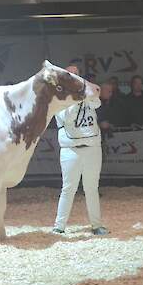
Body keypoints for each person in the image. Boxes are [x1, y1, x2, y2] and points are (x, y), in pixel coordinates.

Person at [53, 65, 108, 236]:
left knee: (92, 188)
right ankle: (59, 226)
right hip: (71, 149)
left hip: (92, 147)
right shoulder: (59, 98)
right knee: (68, 188)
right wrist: (77, 97)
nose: (75, 77)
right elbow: (66, 118)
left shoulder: (87, 92)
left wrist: (86, 90)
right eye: (71, 75)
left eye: (77, 74)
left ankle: (96, 225)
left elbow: (97, 101)